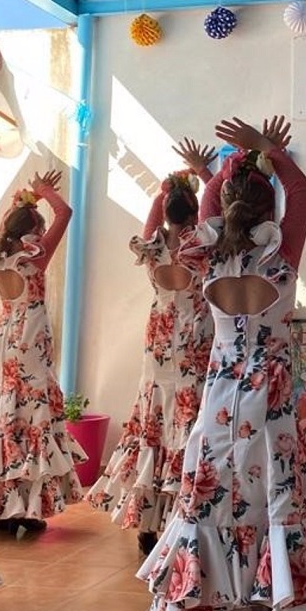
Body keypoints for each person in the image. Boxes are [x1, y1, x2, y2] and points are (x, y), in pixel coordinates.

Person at [137, 116, 306, 611]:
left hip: (217, 405)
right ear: (271, 212)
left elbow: (212, 201)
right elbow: (300, 188)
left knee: (210, 514)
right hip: (271, 410)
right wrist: (268, 152)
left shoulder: (206, 256)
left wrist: (224, 166)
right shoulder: (281, 260)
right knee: (273, 515)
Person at [88, 138, 217, 556]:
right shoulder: (202, 246)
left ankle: (148, 520)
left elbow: (152, 221)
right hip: (194, 342)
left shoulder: (151, 247)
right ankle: (180, 514)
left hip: (158, 341)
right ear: (194, 213)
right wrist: (202, 174)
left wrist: (165, 190)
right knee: (189, 424)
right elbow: (222, 216)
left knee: (154, 425)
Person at [0, 169, 85, 534]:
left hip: (4, 335)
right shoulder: (31, 259)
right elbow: (65, 214)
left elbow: (11, 226)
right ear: (32, 231)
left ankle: (1, 504)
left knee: (5, 412)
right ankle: (24, 508)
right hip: (29, 339)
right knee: (31, 415)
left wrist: (25, 201)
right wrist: (45, 193)